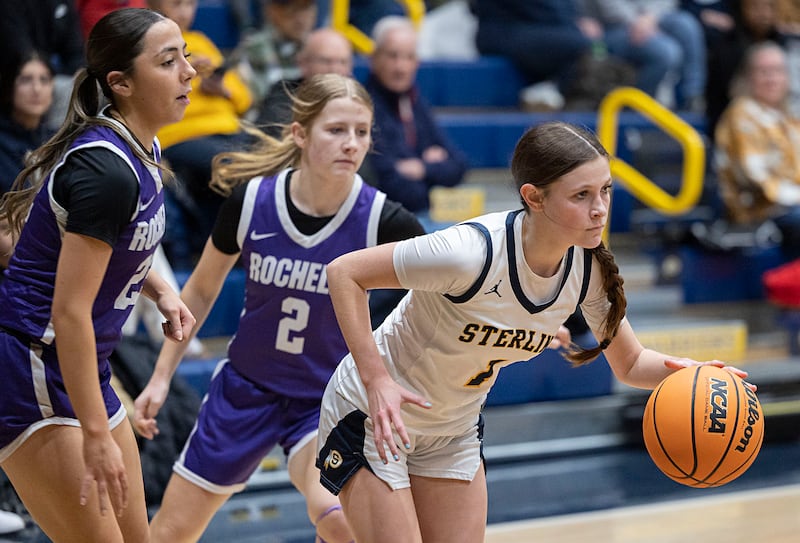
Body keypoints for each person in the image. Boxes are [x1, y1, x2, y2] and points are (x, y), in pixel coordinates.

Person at [315, 120, 753, 542]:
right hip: (375, 416)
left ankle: (339, 532)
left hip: (453, 429)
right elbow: (345, 273)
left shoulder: (587, 269)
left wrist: (695, 375)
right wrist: (376, 380)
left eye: (605, 190)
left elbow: (632, 362)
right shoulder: (468, 253)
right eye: (580, 195)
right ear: (534, 198)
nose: (599, 208)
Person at [133, 73, 425, 543]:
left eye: (362, 131)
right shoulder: (251, 200)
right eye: (336, 130)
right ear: (300, 134)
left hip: (323, 399)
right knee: (170, 532)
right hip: (245, 390)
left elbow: (452, 283)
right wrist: (162, 376)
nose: (351, 143)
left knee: (335, 517)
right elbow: (201, 292)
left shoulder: (383, 219)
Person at [0, 8, 197, 542]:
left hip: (83, 363)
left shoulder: (144, 146)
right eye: (168, 60)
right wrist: (93, 433)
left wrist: (160, 290)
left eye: (184, 54)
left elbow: (120, 246)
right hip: (35, 366)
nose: (189, 71)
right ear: (121, 83)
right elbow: (68, 312)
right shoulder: (105, 169)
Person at [147, 0, 254, 269]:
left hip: (228, 129)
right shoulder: (148, 47)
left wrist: (221, 88)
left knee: (278, 160)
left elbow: (244, 98)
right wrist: (190, 78)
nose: (185, 11)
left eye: (190, 4)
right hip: (182, 134)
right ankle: (235, 255)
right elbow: (151, 98)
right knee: (240, 167)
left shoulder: (201, 42)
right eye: (176, 4)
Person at [364, 16, 468, 214]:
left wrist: (422, 168)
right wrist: (432, 167)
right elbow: (390, 181)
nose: (400, 67)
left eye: (408, 57)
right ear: (374, 59)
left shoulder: (415, 101)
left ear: (417, 63)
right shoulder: (363, 106)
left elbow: (459, 165)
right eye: (392, 56)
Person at [714, 41, 800, 256]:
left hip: (790, 208)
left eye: (778, 71)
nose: (772, 79)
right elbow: (756, 178)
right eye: (763, 72)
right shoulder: (741, 114)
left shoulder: (787, 118)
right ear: (748, 77)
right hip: (758, 213)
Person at [581, 0, 707, 111]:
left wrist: (650, 18)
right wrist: (637, 22)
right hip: (613, 26)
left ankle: (691, 96)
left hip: (652, 18)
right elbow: (609, 6)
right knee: (666, 52)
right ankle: (637, 106)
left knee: (687, 25)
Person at [0, 0, 86, 130]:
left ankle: (54, 142)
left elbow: (75, 51)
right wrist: (45, 77)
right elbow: (19, 52)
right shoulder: (9, 5)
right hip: (15, 70)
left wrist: (77, 75)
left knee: (78, 85)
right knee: (55, 86)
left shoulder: (64, 3)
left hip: (51, 71)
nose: (37, 90)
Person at [256, 26, 354, 136]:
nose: (335, 70)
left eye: (343, 62)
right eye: (326, 61)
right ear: (303, 63)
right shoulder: (283, 96)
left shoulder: (357, 101)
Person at [235, 0, 318, 108]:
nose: (300, 18)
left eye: (305, 8)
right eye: (291, 10)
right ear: (270, 11)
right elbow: (260, 103)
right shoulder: (255, 49)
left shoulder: (320, 46)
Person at [0, 49, 56, 195]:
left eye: (44, 80)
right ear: (9, 87)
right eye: (25, 80)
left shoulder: (57, 139)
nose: (37, 89)